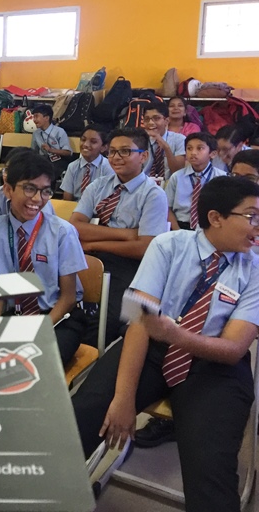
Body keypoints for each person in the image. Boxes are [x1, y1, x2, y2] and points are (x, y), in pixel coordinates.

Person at [72, 176, 259, 512]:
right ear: (216, 217)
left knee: (210, 470)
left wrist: (175, 335)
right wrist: (124, 398)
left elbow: (232, 349)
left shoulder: (254, 269)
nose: (257, 225)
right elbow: (139, 323)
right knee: (81, 419)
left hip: (214, 365)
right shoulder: (168, 245)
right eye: (251, 216)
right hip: (151, 350)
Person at [0, 153, 87, 366]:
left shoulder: (62, 232)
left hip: (56, 317)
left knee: (34, 366)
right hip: (14, 314)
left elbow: (68, 297)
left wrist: (38, 331)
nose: (38, 199)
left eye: (45, 191)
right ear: (8, 190)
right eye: (29, 189)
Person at [70, 127, 168, 346]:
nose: (116, 157)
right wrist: (127, 234)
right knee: (63, 297)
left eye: (125, 151)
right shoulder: (98, 186)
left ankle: (93, 354)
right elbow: (75, 226)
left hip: (128, 262)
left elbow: (144, 247)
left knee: (109, 318)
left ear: (143, 156)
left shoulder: (153, 194)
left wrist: (94, 243)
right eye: (112, 151)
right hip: (91, 254)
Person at [0, 149, 55, 226]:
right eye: (6, 170)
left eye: (29, 189)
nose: (6, 175)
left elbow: (46, 228)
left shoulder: (41, 201)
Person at [166, 132, 225, 231]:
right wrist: (177, 231)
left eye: (200, 148)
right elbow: (167, 208)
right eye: (189, 148)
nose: (193, 152)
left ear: (213, 154)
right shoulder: (177, 177)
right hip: (180, 225)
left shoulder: (221, 178)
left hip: (210, 227)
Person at [60, 125, 113, 201]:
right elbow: (67, 197)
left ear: (103, 147)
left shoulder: (108, 167)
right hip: (76, 205)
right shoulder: (73, 166)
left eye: (93, 142)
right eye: (83, 140)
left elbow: (108, 198)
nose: (85, 144)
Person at [142, 101, 186, 183]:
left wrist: (165, 147)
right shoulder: (140, 140)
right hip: (145, 184)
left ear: (166, 121)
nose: (150, 123)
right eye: (147, 119)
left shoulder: (179, 139)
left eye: (156, 118)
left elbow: (178, 171)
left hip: (170, 184)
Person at [30, 104, 72, 175]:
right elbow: (34, 151)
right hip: (43, 161)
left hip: (59, 161)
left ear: (46, 118)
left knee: (51, 170)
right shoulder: (36, 133)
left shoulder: (59, 131)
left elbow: (67, 152)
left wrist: (50, 150)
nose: (34, 120)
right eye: (33, 117)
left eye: (36, 116)